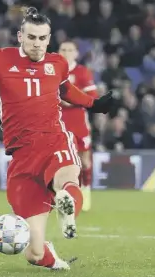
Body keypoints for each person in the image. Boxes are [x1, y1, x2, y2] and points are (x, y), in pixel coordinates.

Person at [0, 7, 113, 270]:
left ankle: (67, 206)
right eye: (31, 37)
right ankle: (53, 256)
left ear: (49, 38)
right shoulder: (0, 59)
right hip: (21, 155)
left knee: (66, 178)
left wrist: (93, 103)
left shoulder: (57, 63)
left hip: (54, 138)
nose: (37, 44)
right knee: (34, 253)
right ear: (20, 36)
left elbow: (65, 89)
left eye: (42, 38)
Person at [58, 41, 98, 212]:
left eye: (70, 50)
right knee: (59, 160)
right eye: (63, 49)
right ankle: (62, 196)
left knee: (84, 159)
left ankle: (86, 191)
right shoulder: (52, 70)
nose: (66, 52)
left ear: (76, 54)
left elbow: (93, 96)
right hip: (58, 122)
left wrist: (69, 100)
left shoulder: (82, 72)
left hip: (78, 122)